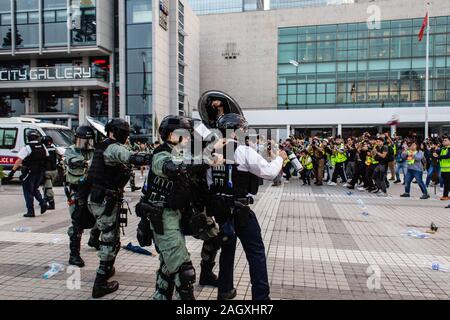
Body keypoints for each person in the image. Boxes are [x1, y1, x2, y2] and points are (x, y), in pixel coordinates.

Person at [209, 113, 287, 300]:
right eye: (243, 130)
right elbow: (268, 172)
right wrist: (280, 158)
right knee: (256, 252)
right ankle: (261, 297)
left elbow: (210, 182)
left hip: (220, 209)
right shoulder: (242, 151)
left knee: (227, 249)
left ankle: (225, 291)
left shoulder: (211, 151)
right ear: (236, 131)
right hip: (240, 210)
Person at [141, 115, 209, 300]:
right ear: (171, 135)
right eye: (184, 134)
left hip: (175, 215)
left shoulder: (179, 152)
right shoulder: (161, 154)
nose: (188, 138)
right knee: (183, 270)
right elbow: (173, 167)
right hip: (162, 217)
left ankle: (160, 296)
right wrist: (207, 160)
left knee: (168, 265)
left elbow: (193, 159)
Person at [87, 119, 150, 298]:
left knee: (109, 235)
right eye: (124, 131)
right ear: (114, 132)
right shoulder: (113, 147)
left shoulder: (101, 146)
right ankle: (100, 283)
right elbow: (132, 157)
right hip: (105, 200)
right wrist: (155, 157)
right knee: (109, 239)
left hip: (98, 197)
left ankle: (108, 269)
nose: (126, 134)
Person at [64, 125, 101, 267]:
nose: (85, 144)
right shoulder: (71, 150)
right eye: (82, 140)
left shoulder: (95, 151)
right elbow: (73, 161)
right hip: (77, 190)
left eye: (88, 141)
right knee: (77, 222)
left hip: (93, 189)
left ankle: (94, 238)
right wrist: (88, 163)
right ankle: (74, 255)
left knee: (100, 216)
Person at [6, 130, 48, 217]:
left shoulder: (27, 147)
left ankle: (30, 211)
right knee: (35, 189)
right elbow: (46, 156)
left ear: (28, 137)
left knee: (28, 191)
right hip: (40, 172)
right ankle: (43, 202)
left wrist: (12, 172)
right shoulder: (42, 146)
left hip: (29, 172)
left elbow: (19, 160)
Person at [41, 136, 60, 210]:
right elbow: (60, 156)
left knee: (48, 188)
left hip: (47, 171)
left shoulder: (44, 149)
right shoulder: (54, 148)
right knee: (46, 187)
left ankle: (51, 203)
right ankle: (45, 200)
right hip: (54, 171)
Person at [434, 136, 450, 205]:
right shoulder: (442, 148)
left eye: (445, 140)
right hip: (443, 169)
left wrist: (438, 156)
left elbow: (448, 156)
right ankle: (445, 195)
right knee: (446, 183)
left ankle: (445, 195)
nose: (444, 141)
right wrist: (434, 152)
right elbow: (436, 152)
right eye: (443, 140)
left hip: (449, 169)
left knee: (446, 183)